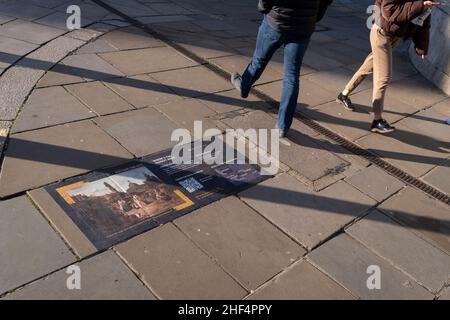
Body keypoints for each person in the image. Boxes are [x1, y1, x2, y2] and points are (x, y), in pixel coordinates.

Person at [336, 0, 442, 134]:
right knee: (383, 77)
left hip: (394, 36)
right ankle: (377, 120)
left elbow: (424, 23)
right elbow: (389, 11)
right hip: (381, 33)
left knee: (368, 67)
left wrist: (422, 46)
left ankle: (343, 94)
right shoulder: (422, 2)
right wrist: (420, 5)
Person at [231, 0, 333, 138]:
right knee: (291, 76)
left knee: (259, 59)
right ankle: (282, 126)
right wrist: (316, 15)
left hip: (276, 21)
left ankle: (244, 85)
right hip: (303, 26)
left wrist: (263, 7)